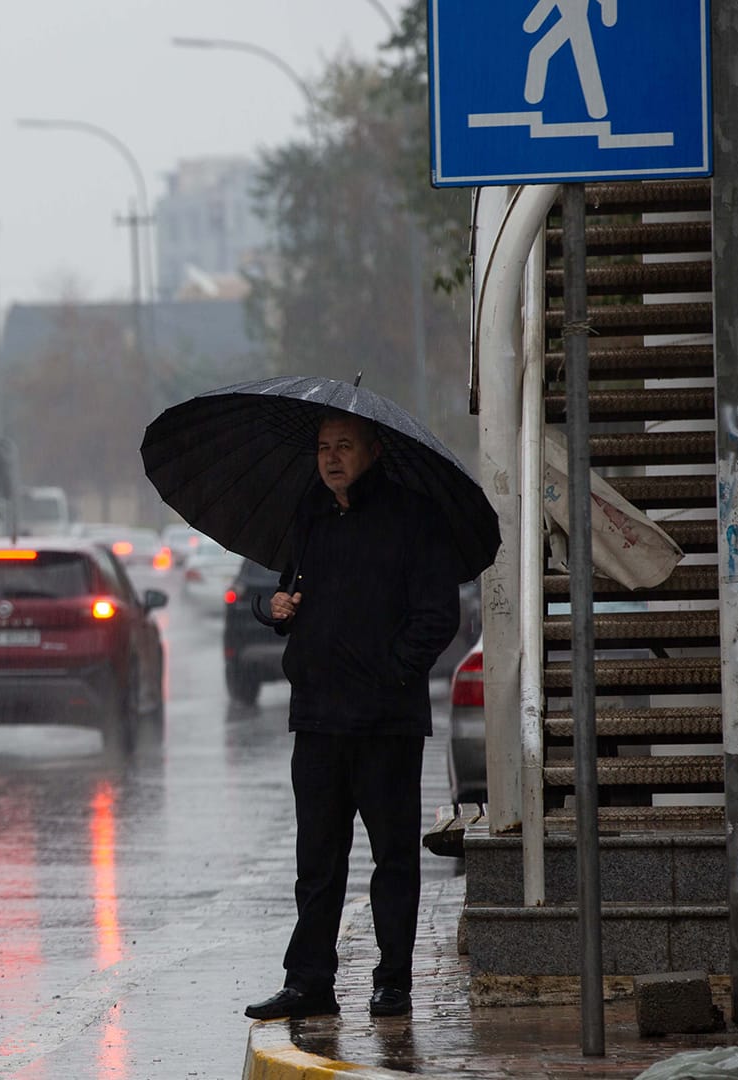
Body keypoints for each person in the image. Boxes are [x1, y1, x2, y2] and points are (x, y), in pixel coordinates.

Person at [244, 412, 460, 1021]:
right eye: (322, 447)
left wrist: (391, 671)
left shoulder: (413, 519)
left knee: (393, 858)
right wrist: (281, 610)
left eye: (343, 446)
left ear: (372, 451)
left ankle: (393, 982)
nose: (331, 458)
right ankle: (309, 980)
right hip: (317, 718)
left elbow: (437, 616)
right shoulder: (310, 514)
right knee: (317, 861)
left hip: (385, 722)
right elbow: (294, 595)